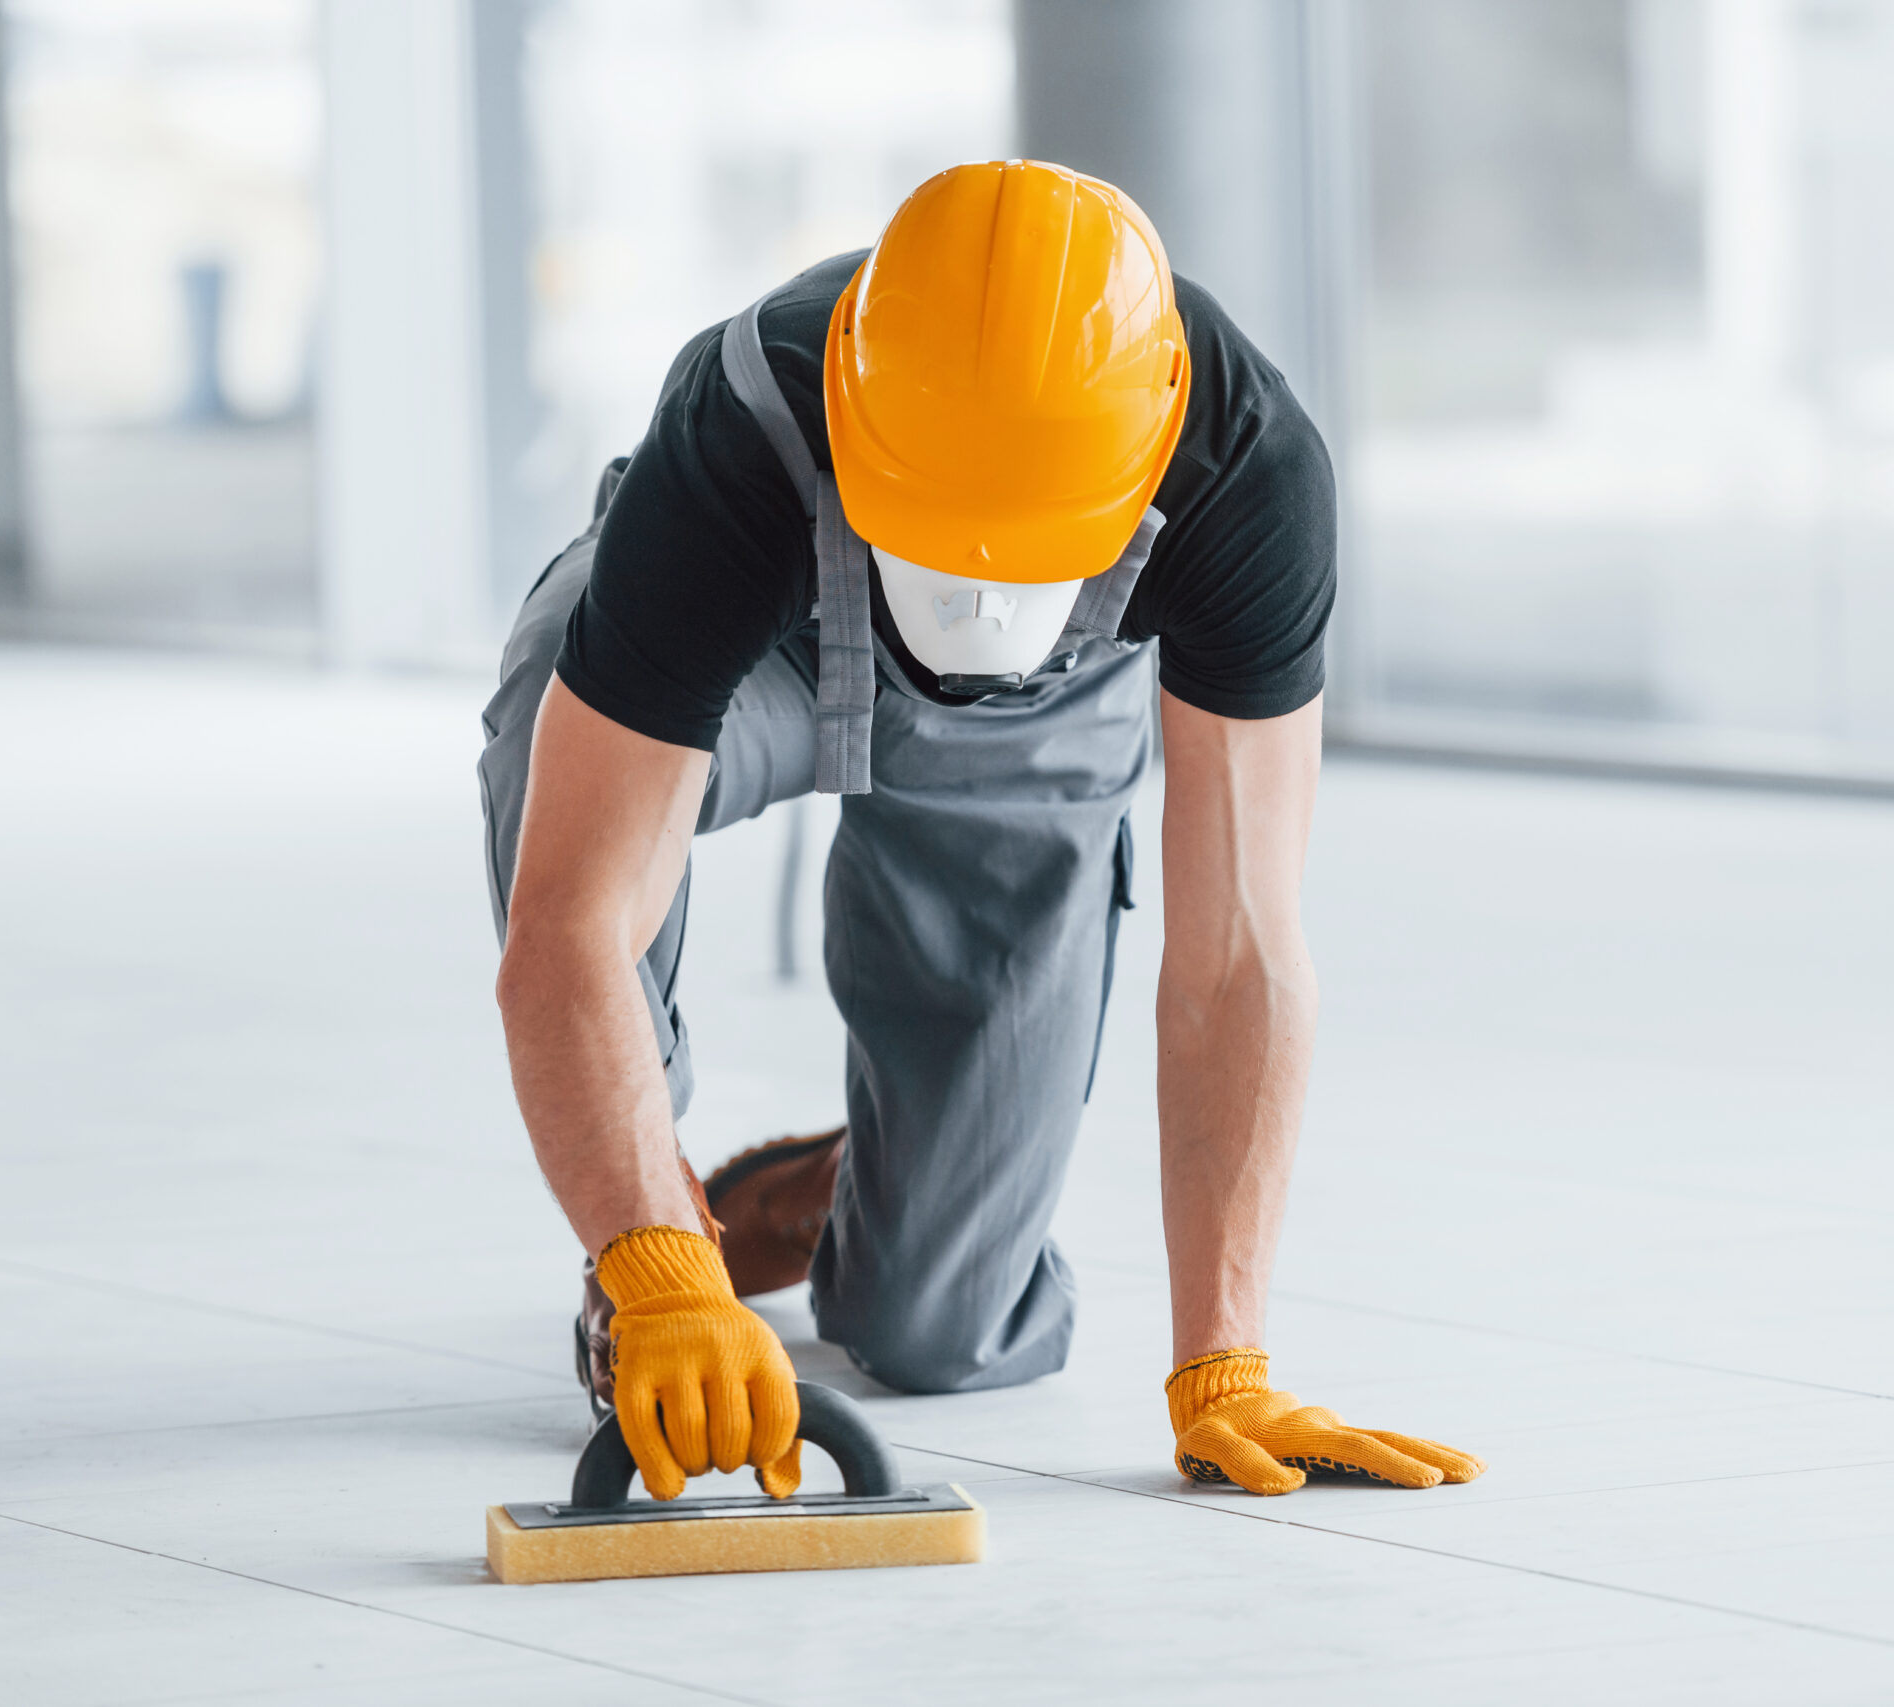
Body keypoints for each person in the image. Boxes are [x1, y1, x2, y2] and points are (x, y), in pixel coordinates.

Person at [479, 160, 1481, 1502]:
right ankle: (658, 1206)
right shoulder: (740, 426)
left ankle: (872, 1183)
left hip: (1039, 718)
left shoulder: (1250, 471)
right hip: (759, 660)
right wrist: (655, 1266)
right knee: (559, 702)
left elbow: (1242, 948)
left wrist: (1223, 1365)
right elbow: (573, 916)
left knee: (941, 1334)